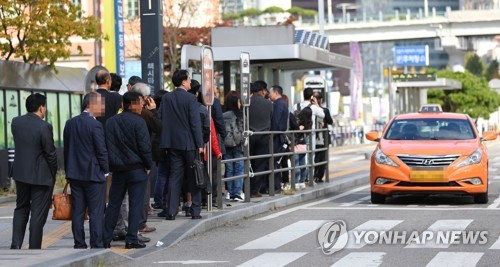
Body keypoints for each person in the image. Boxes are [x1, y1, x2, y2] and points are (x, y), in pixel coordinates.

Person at [103, 91, 152, 249]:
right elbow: (144, 148)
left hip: (117, 170)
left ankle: (105, 238)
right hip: (137, 169)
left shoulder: (111, 122)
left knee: (113, 204)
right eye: (140, 102)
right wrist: (148, 165)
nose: (142, 105)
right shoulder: (139, 122)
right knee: (135, 204)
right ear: (131, 105)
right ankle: (131, 239)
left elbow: (108, 146)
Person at [10, 93, 58, 249]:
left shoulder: (16, 123)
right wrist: (53, 174)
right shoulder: (44, 126)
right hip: (41, 177)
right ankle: (34, 247)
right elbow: (50, 154)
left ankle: (16, 244)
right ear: (41, 108)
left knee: (21, 208)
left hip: (20, 174)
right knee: (37, 214)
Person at [63, 92, 108, 249]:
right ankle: (96, 243)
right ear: (92, 104)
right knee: (96, 212)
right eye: (101, 104)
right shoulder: (95, 125)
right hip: (94, 175)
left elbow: (67, 149)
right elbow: (101, 151)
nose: (103, 107)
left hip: (75, 174)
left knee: (78, 211)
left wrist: (69, 171)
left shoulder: (70, 123)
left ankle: (79, 243)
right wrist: (106, 170)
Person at [160, 70, 204, 220]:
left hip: (172, 143)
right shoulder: (191, 98)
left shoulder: (166, 98)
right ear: (184, 82)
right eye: (189, 79)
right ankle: (195, 211)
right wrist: (200, 143)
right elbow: (195, 123)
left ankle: (171, 211)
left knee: (174, 176)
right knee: (194, 176)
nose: (190, 82)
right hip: (189, 143)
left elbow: (161, 118)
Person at [130, 82, 160, 234]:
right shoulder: (145, 113)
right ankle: (140, 224)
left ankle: (128, 225)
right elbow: (159, 127)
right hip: (142, 160)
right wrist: (154, 111)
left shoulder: (123, 112)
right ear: (143, 98)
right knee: (143, 193)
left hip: (124, 160)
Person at [292, 87, 325, 189]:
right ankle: (310, 178)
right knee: (311, 155)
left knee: (300, 156)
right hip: (311, 134)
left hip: (298, 134)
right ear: (311, 96)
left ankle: (301, 178)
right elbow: (323, 115)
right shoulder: (313, 107)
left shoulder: (295, 106)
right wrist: (316, 104)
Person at [248, 81, 273, 197]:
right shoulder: (268, 104)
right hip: (263, 137)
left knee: (248, 162)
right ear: (262, 90)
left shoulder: (247, 102)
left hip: (250, 136)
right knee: (260, 164)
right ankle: (254, 190)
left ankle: (246, 189)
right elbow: (271, 118)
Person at [223, 91, 245, 201]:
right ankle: (237, 193)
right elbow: (242, 130)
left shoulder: (223, 114)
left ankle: (230, 192)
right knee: (239, 169)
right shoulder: (240, 115)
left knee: (229, 169)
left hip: (226, 145)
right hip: (238, 145)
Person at [269, 85, 288, 193]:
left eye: (271, 93)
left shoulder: (278, 104)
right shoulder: (282, 103)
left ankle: (276, 186)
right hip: (279, 136)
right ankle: (276, 186)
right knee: (276, 162)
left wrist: (271, 134)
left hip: (276, 137)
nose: (269, 94)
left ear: (276, 93)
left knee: (274, 162)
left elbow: (275, 121)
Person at [312, 92, 334, 183]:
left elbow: (330, 121)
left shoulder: (324, 110)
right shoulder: (311, 109)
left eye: (317, 98)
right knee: (316, 158)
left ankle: (319, 176)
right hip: (315, 137)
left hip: (323, 138)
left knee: (322, 158)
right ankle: (314, 176)